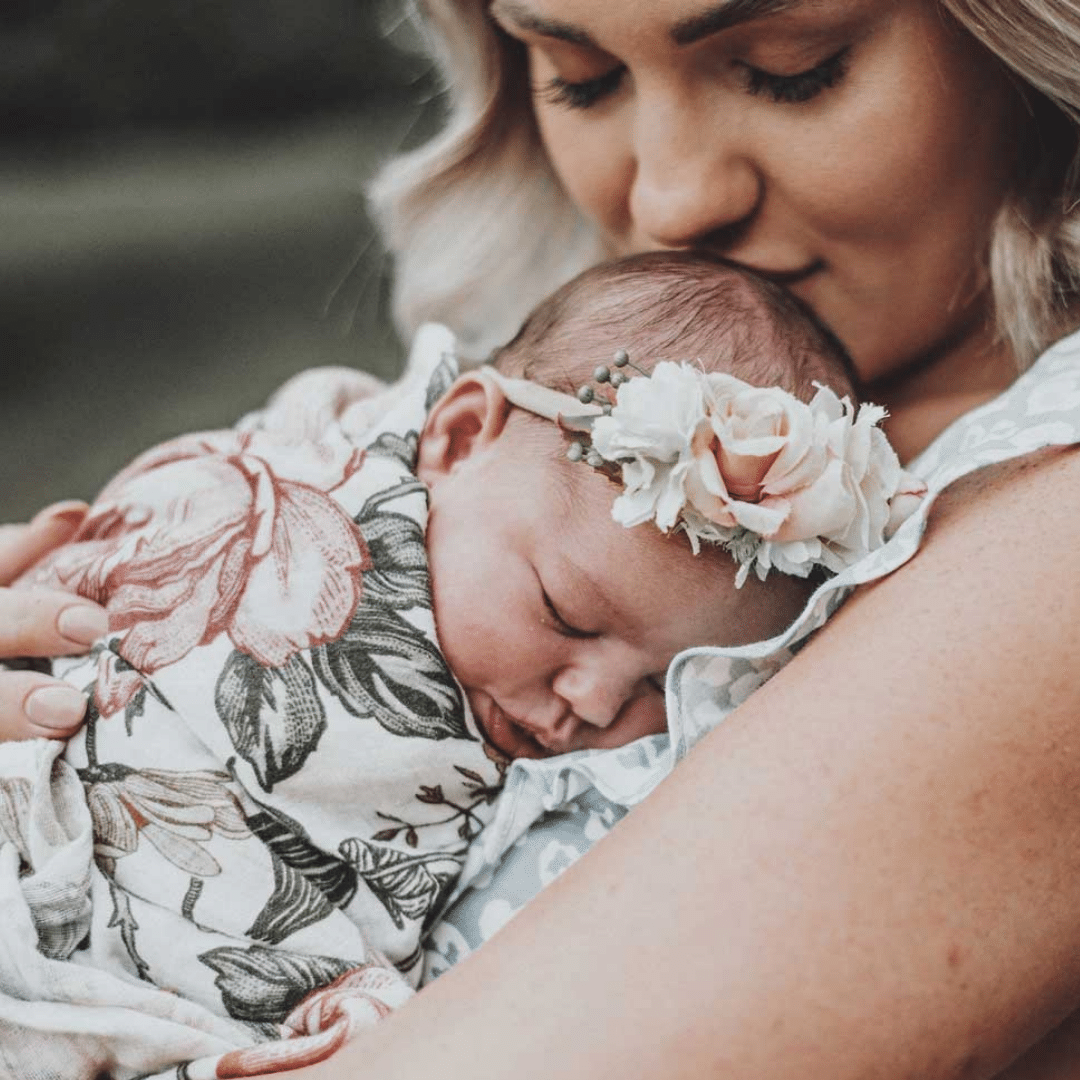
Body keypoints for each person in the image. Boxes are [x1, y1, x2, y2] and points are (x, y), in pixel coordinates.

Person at [2, 0, 1079, 1077]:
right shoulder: (502, 450)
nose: (668, 196)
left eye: (794, 69)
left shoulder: (1044, 537)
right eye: (580, 78)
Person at [0, 251, 919, 1078]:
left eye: (659, 687)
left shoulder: (579, 773)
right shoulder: (326, 481)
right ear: (455, 437)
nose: (594, 704)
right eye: (564, 613)